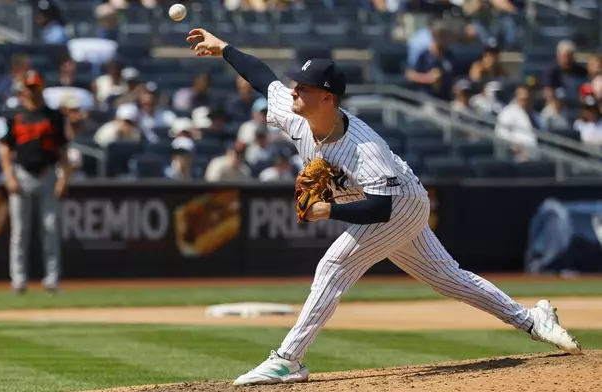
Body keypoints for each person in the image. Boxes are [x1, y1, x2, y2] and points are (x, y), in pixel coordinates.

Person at [186, 27, 582, 386]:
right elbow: (261, 76)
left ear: (327, 98)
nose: (293, 91)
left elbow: (380, 210)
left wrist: (326, 211)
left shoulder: (364, 147)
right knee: (449, 279)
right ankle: (532, 318)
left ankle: (289, 359)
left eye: (303, 87)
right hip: (385, 204)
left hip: (400, 204)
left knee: (334, 265)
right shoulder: (295, 114)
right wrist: (224, 48)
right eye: (296, 84)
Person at [0, 69, 71, 295]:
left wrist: (64, 177)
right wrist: (9, 175)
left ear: (42, 88)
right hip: (21, 174)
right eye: (29, 87)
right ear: (24, 89)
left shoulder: (53, 116)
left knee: (50, 228)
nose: (32, 91)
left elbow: (63, 149)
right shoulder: (14, 114)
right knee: (20, 231)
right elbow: (4, 147)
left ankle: (52, 279)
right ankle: (18, 280)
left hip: (48, 174)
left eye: (36, 87)